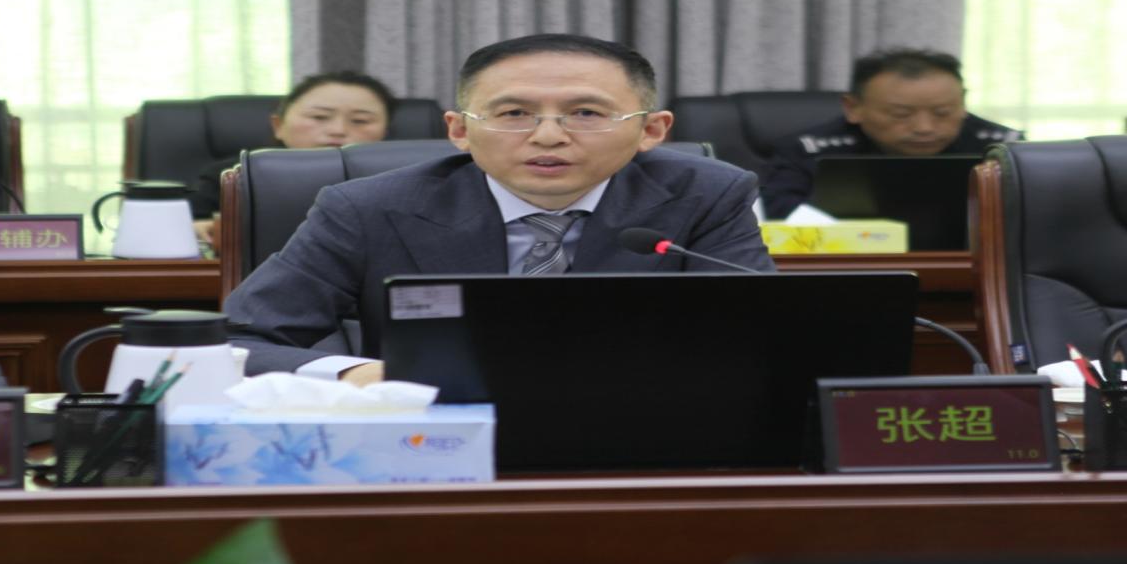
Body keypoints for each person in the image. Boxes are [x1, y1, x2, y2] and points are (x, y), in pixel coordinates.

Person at [224, 33, 776, 385]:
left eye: (586, 113)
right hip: (434, 437)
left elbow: (757, 339)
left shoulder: (706, 196)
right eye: (513, 114)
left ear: (652, 130)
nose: (549, 136)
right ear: (459, 130)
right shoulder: (366, 207)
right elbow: (237, 341)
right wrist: (358, 374)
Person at [759, 47, 1021, 218]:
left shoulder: (1006, 150)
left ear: (962, 102)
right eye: (901, 114)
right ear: (853, 107)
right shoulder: (808, 150)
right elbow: (778, 219)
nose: (924, 128)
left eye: (942, 112)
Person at [189, 70, 396, 244]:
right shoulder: (233, 174)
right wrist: (197, 230)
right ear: (278, 126)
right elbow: (191, 226)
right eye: (319, 117)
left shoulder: (400, 180)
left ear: (385, 132)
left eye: (360, 121)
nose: (338, 130)